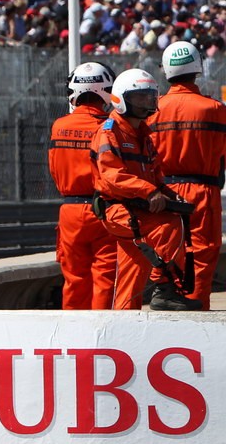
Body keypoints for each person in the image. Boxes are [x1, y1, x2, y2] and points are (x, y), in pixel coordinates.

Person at [90, 69, 199, 311]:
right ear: (121, 99)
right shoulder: (109, 131)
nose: (148, 101)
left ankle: (123, 320)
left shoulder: (144, 135)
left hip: (134, 207)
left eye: (150, 96)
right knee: (169, 226)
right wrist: (149, 192)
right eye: (140, 97)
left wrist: (170, 195)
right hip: (117, 208)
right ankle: (165, 290)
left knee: (134, 267)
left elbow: (154, 175)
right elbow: (112, 176)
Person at [147, 40, 226, 309]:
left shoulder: (152, 110)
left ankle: (171, 307)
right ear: (197, 68)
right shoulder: (215, 110)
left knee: (169, 251)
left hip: (163, 192)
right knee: (202, 254)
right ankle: (197, 314)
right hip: (203, 192)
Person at [48, 62, 118, 309]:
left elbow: (54, 169)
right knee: (105, 279)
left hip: (70, 212)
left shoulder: (59, 126)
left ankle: (73, 338)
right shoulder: (110, 127)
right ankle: (104, 336)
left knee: (74, 279)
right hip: (104, 211)